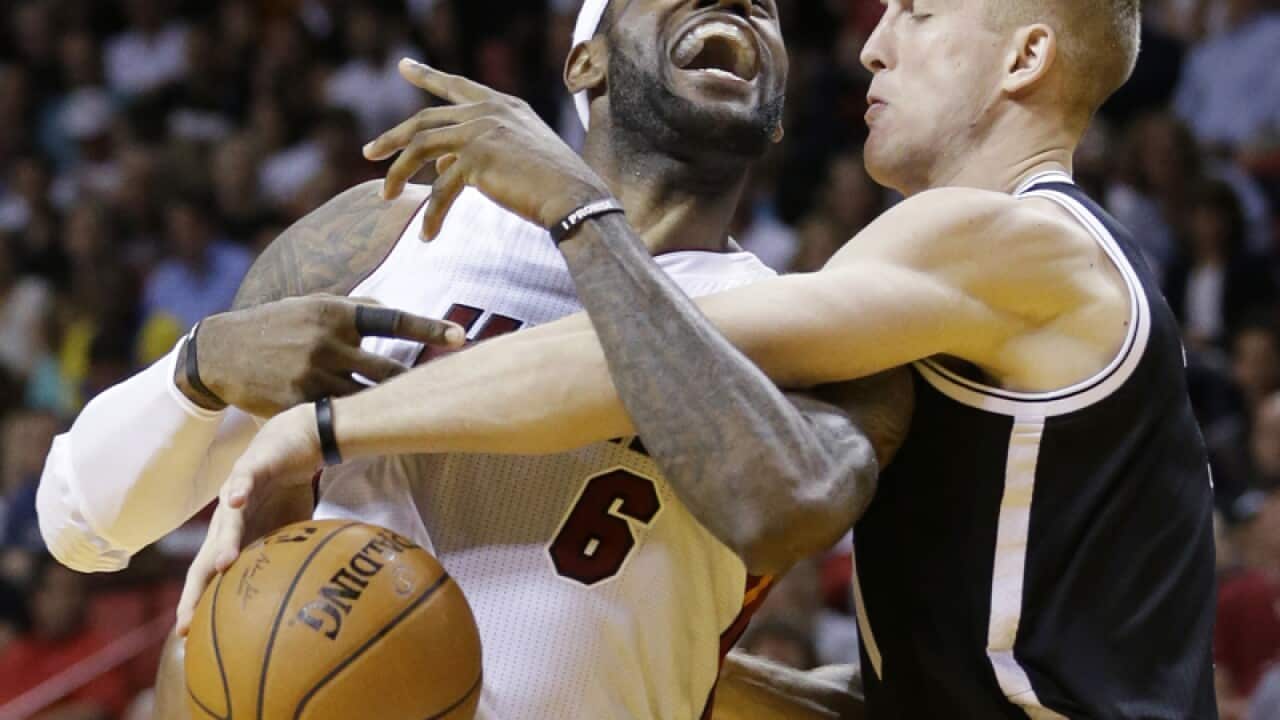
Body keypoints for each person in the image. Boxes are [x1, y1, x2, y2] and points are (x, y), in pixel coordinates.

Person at [212, 0, 1216, 716]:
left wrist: (321, 428)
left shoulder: (1004, 238)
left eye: (913, 13)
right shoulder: (998, 282)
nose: (869, 49)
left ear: (1023, 56)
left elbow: (620, 362)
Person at [41, 2, 908, 718]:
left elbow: (782, 512)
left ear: (781, 110)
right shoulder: (392, 232)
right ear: (585, 66)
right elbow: (80, 524)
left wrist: (579, 210)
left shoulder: (818, 332)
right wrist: (202, 364)